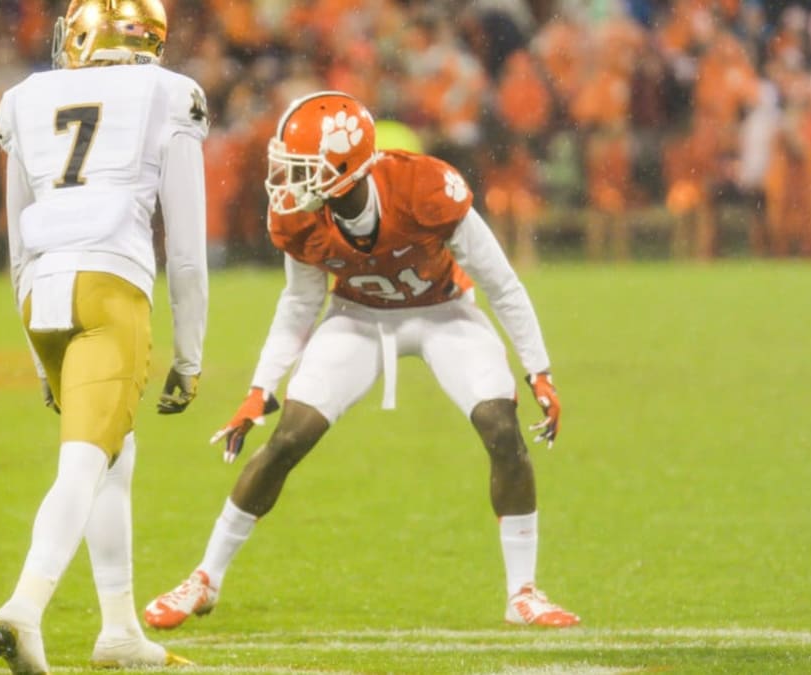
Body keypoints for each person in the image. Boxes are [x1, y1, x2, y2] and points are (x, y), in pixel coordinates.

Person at [144, 91, 579, 631]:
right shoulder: (298, 217)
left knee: (500, 425)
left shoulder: (423, 188)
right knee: (289, 437)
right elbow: (300, 302)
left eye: (301, 168)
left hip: (443, 309)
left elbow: (502, 285)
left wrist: (539, 371)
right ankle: (206, 578)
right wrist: (261, 387)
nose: (285, 182)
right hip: (358, 315)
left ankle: (522, 593)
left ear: (344, 168)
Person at [0, 1, 210, 672]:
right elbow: (190, 251)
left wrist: (36, 356)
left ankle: (119, 629)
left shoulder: (24, 98)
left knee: (114, 455)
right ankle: (25, 605)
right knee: (84, 463)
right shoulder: (169, 94)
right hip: (110, 287)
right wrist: (190, 355)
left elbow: (17, 240)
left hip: (42, 294)